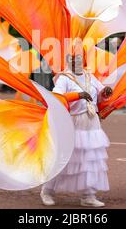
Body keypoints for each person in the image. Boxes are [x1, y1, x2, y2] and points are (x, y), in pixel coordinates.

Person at [40, 52, 113, 207]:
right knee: (63, 158)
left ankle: (88, 196)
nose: (76, 61)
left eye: (79, 58)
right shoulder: (64, 78)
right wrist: (77, 95)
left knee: (90, 159)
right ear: (68, 61)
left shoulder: (89, 76)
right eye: (72, 59)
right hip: (73, 122)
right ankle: (47, 191)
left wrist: (105, 92)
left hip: (91, 123)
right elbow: (57, 97)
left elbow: (100, 94)